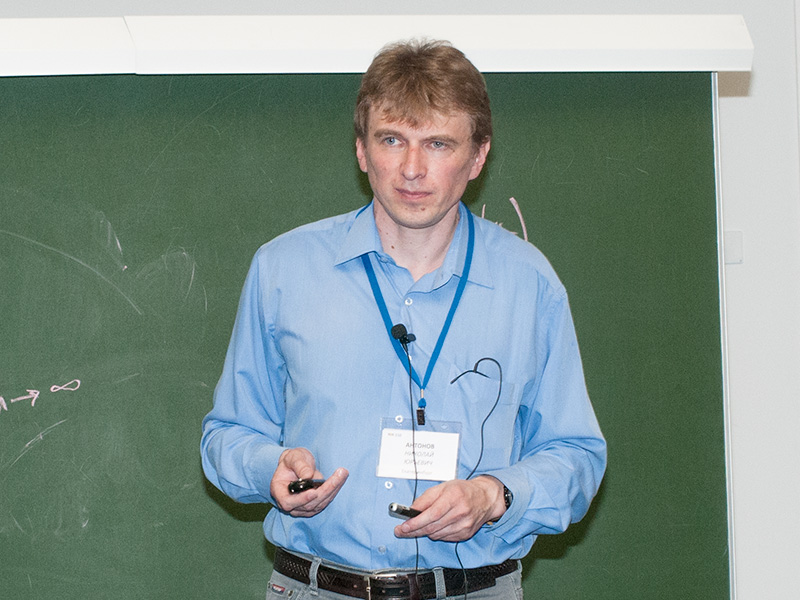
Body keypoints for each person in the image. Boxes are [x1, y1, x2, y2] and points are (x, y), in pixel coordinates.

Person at [201, 39, 606, 599]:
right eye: (392, 140)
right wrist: (268, 466)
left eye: (438, 144)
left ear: (478, 157)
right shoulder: (283, 270)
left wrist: (493, 495)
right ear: (362, 150)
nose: (412, 169)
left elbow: (577, 455)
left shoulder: (528, 283)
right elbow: (227, 434)